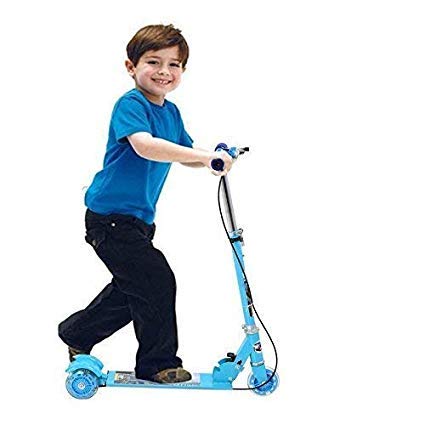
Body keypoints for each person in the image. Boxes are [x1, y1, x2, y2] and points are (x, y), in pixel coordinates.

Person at [58, 24, 232, 384]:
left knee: (134, 288)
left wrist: (209, 158)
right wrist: (204, 157)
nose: (164, 71)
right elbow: (145, 145)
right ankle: (157, 364)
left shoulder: (171, 113)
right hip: (109, 218)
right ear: (131, 66)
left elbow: (182, 152)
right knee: (156, 280)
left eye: (174, 64)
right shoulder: (131, 104)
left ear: (183, 70)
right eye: (154, 62)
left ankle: (78, 332)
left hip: (138, 221)